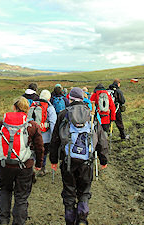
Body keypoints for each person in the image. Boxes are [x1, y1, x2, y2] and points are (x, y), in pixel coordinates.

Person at [50, 87, 109, 225]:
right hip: (86, 161)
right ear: (83, 99)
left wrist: (53, 160)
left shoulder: (63, 114)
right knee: (84, 190)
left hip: (68, 160)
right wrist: (103, 159)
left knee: (69, 191)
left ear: (70, 98)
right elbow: (101, 139)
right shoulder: (91, 115)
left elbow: (55, 139)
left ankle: (70, 219)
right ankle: (82, 218)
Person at [0, 96, 44, 225]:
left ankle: (4, 221)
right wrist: (39, 164)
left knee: (5, 191)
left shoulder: (2, 123)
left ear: (14, 108)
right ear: (27, 110)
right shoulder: (32, 125)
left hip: (5, 165)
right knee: (21, 197)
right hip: (25, 167)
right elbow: (39, 147)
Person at [36, 89, 57, 176]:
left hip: (35, 135)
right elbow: (53, 123)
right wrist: (54, 137)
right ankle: (42, 169)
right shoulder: (50, 108)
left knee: (35, 151)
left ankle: (34, 167)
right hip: (46, 136)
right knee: (43, 152)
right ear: (49, 98)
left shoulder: (34, 105)